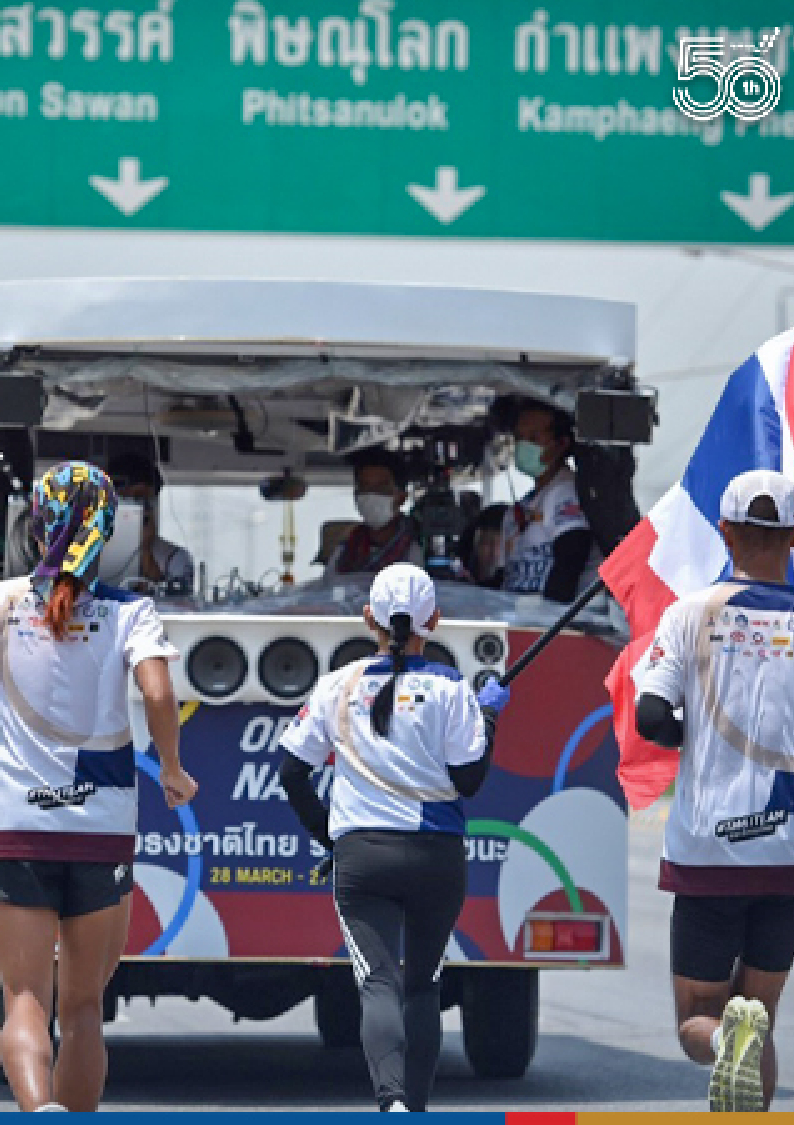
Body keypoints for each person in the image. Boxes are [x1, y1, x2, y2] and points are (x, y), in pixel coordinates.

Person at [0, 461, 200, 1112]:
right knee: (84, 1006)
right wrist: (171, 765)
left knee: (26, 998)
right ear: (107, 531)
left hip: (16, 827)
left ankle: (37, 1108)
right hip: (102, 830)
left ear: (35, 525)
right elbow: (159, 691)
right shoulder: (130, 612)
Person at [630, 469, 794, 1113]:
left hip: (710, 845)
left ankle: (724, 1047)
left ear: (725, 532)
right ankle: (739, 1052)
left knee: (701, 1021)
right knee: (758, 1013)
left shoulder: (688, 615)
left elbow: (652, 718)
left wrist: (703, 742)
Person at [276, 564, 511, 1113]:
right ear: (434, 619)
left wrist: (329, 839)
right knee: (424, 984)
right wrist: (491, 716)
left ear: (368, 618)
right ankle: (418, 1111)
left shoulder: (338, 684)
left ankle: (393, 1104)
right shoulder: (453, 688)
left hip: (362, 857)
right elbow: (469, 781)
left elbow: (291, 772)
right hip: (437, 857)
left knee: (378, 984)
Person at [500, 402, 598, 603]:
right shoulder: (525, 504)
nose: (523, 446)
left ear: (561, 444)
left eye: (534, 438)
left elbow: (571, 558)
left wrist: (549, 620)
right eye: (519, 438)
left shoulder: (566, 492)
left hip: (547, 623)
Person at [105, 451, 196, 593]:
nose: (137, 506)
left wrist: (145, 550)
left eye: (143, 498)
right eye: (127, 499)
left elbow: (172, 604)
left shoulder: (175, 558)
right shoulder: (86, 549)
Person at [330, 450, 424, 575]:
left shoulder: (419, 545)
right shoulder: (346, 549)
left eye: (381, 488)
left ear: (401, 498)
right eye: (364, 487)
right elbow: (329, 587)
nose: (371, 495)